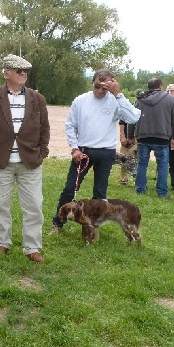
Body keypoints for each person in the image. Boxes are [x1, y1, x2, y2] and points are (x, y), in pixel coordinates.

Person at [48, 69, 141, 235]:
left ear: (112, 85)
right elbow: (70, 125)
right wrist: (75, 148)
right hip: (83, 152)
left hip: (106, 153)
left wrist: (118, 94)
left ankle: (92, 227)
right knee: (70, 189)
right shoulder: (81, 100)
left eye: (104, 88)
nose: (99, 91)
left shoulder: (116, 101)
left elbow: (133, 117)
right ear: (93, 83)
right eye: (97, 86)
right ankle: (58, 224)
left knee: (99, 194)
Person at [0, 54, 50, 263]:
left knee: (34, 206)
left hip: (30, 162)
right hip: (1, 162)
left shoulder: (37, 99)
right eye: (19, 71)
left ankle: (32, 247)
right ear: (6, 73)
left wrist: (42, 152)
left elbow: (45, 128)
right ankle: (3, 243)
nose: (23, 74)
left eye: (25, 71)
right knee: (1, 205)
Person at [127, 77, 174, 199]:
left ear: (149, 86)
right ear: (160, 86)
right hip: (162, 137)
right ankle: (162, 193)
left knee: (142, 164)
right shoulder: (170, 99)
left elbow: (132, 118)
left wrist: (130, 136)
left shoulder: (140, 99)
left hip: (143, 136)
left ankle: (140, 190)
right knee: (163, 165)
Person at [117, 119, 137, 186]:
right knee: (125, 159)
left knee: (141, 161)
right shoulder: (128, 108)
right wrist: (122, 136)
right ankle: (123, 180)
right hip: (128, 138)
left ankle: (140, 181)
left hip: (141, 137)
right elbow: (122, 122)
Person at [167, 84, 174, 192]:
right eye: (168, 91)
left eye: (172, 91)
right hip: (169, 138)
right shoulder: (167, 104)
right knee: (173, 163)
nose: (170, 93)